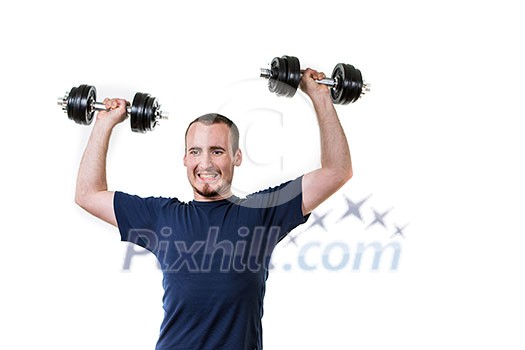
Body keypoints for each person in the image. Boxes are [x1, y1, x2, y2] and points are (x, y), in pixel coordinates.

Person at [75, 68, 353, 350]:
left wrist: (320, 97)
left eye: (217, 151)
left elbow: (336, 171)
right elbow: (88, 195)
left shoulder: (262, 214)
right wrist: (104, 122)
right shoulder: (161, 216)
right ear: (185, 158)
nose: (205, 163)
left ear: (237, 157)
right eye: (196, 151)